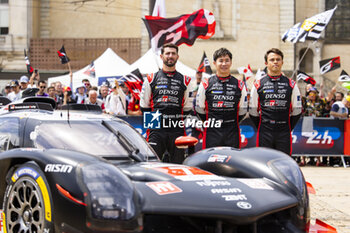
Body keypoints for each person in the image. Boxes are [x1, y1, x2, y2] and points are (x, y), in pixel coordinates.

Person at [140, 43, 192, 164]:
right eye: (167, 53)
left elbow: (187, 108)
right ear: (161, 56)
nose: (170, 56)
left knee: (178, 165)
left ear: (177, 57)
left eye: (173, 53)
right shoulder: (150, 78)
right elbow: (144, 106)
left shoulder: (186, 80)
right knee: (152, 164)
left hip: (177, 128)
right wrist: (153, 124)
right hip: (156, 128)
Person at [249, 48, 302, 156]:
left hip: (284, 131)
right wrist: (262, 125)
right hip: (265, 131)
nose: (275, 62)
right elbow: (253, 110)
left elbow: (297, 110)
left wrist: (287, 127)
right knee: (264, 163)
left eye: (278, 59)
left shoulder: (291, 84)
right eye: (272, 60)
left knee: (283, 162)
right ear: (266, 63)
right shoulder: (258, 84)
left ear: (282, 62)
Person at [195, 48, 248, 148]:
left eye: (227, 60)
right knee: (210, 161)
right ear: (214, 63)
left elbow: (243, 110)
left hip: (232, 131)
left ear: (231, 62)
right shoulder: (206, 83)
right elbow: (199, 108)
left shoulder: (239, 84)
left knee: (232, 161)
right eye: (221, 61)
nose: (224, 64)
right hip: (212, 132)